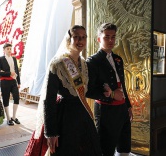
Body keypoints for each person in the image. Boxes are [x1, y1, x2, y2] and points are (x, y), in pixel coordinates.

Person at [25, 25, 102, 156]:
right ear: (69, 39)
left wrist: (105, 93)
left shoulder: (84, 63)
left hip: (83, 116)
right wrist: (51, 133)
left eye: (83, 37)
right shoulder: (58, 64)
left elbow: (85, 91)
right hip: (66, 118)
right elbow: (49, 100)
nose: (80, 40)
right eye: (76, 37)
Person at [86, 23, 133, 156]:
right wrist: (112, 94)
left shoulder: (118, 59)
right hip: (106, 111)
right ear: (99, 39)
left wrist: (128, 105)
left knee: (124, 146)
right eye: (107, 37)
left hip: (122, 109)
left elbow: (122, 85)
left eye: (113, 37)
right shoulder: (92, 61)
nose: (111, 40)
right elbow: (89, 90)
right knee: (105, 148)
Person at [0, 43, 21, 126]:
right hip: (4, 82)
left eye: (10, 48)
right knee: (6, 99)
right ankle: (8, 118)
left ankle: (14, 117)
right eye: (8, 49)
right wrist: (9, 73)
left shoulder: (14, 59)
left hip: (14, 81)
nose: (9, 50)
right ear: (4, 50)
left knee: (17, 98)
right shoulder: (0, 59)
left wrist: (19, 82)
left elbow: (16, 71)